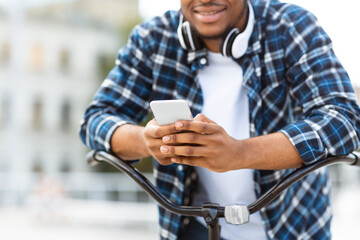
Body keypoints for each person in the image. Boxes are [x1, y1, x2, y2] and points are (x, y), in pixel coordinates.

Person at [79, 0, 360, 239]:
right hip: (196, 227)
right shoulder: (152, 38)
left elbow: (344, 119)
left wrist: (241, 153)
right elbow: (96, 119)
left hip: (295, 227)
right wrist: (145, 141)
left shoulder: (292, 26)